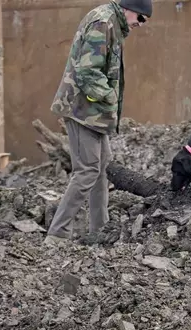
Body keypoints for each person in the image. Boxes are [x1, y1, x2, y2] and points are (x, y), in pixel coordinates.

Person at [44, 0, 152, 246]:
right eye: (141, 18)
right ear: (130, 9)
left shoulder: (113, 22)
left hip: (93, 113)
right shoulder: (103, 22)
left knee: (101, 168)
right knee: (88, 170)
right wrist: (109, 95)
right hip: (82, 110)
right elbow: (87, 71)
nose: (140, 25)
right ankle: (57, 235)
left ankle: (98, 231)